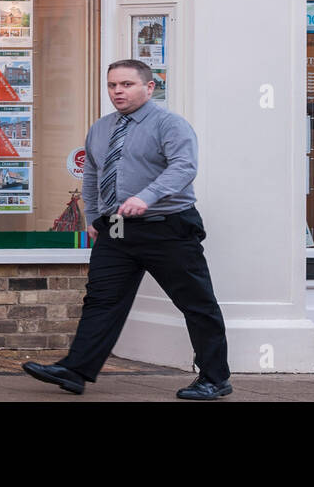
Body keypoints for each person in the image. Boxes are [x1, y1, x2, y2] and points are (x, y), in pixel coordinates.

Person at [22, 59, 231, 399]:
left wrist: (146, 197)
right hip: (116, 229)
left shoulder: (169, 125)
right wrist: (93, 217)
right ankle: (76, 370)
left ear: (149, 88)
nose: (117, 91)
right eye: (112, 85)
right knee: (102, 300)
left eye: (126, 85)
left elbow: (184, 167)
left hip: (168, 227)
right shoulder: (102, 128)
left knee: (196, 303)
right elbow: (91, 173)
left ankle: (215, 377)